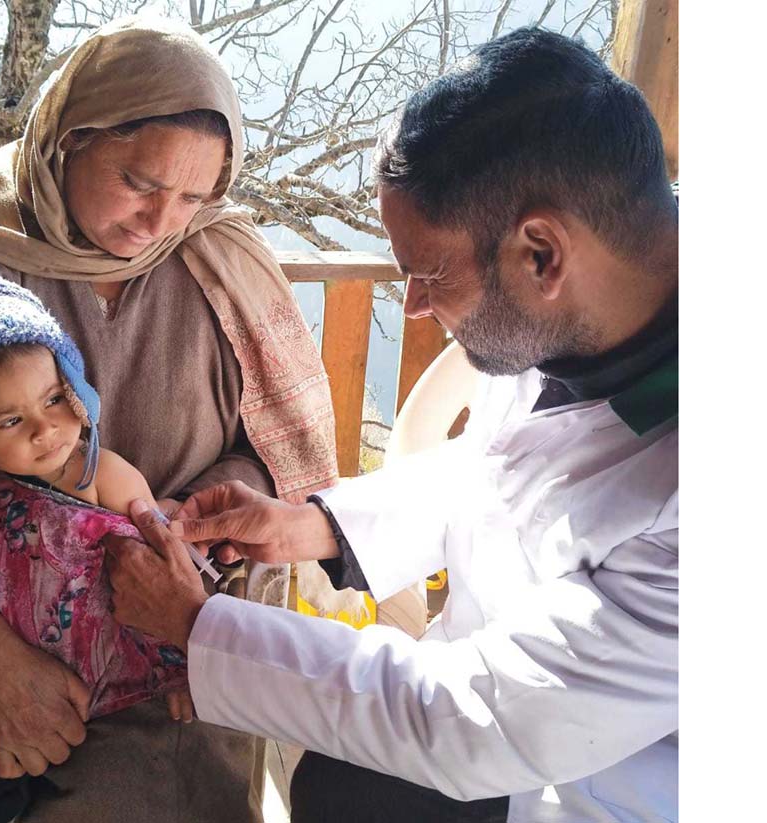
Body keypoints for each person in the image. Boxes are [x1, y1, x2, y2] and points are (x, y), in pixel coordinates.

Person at [105, 27, 679, 823]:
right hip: (503, 727)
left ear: (541, 253)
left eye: (429, 273)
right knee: (342, 786)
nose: (411, 305)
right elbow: (496, 471)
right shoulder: (588, 308)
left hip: (598, 781)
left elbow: (480, 718)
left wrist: (199, 624)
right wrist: (316, 527)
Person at [0, 16, 339, 823]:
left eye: (193, 195)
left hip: (155, 638)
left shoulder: (220, 263)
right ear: (67, 139)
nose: (161, 222)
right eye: (139, 182)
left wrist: (189, 525)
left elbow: (275, 461)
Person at [0, 267, 204, 822]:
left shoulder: (103, 477)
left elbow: (166, 564)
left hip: (75, 668)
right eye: (11, 420)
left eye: (53, 400)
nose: (45, 431)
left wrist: (187, 664)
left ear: (73, 387)